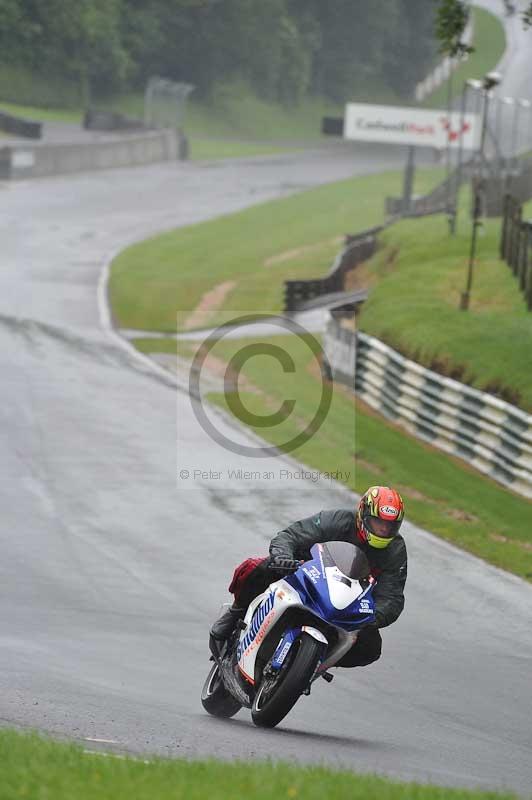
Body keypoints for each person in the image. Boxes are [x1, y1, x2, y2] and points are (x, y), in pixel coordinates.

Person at [210, 485, 407, 668]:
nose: (383, 530)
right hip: (306, 575)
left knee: (370, 649)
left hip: (348, 603)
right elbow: (292, 535)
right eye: (378, 522)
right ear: (363, 515)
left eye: (389, 526)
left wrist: (372, 617)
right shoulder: (338, 520)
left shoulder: (395, 550)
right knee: (259, 567)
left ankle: (313, 664)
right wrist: (283, 557)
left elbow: (392, 597)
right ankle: (236, 613)